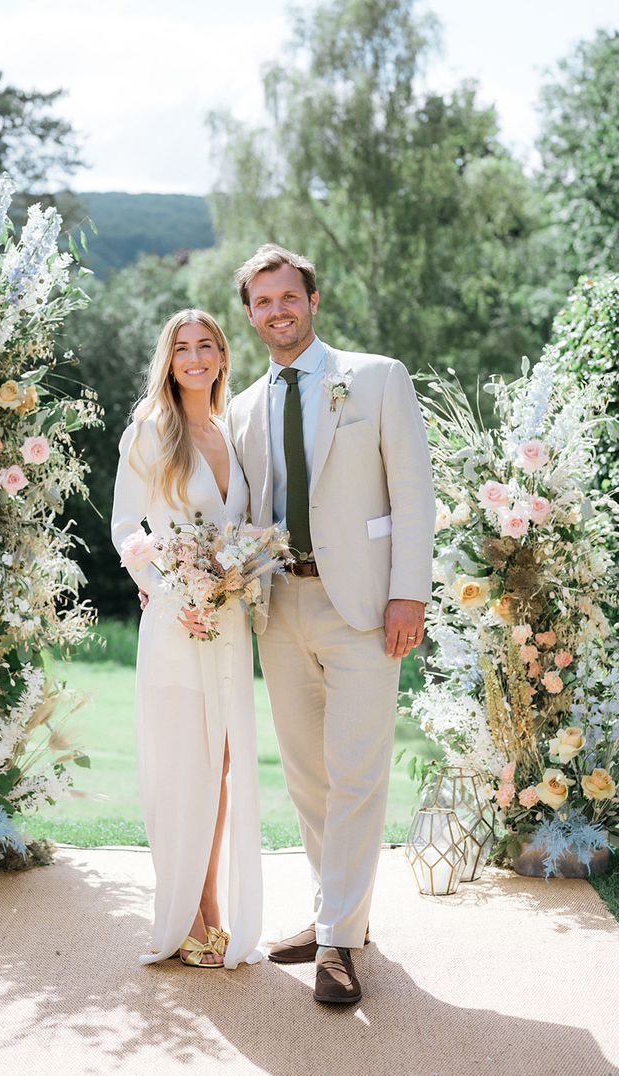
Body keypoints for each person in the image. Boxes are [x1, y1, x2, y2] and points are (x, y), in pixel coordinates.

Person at [226, 245, 435, 1005]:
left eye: (288, 296)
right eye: (262, 301)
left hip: (364, 610)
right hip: (279, 609)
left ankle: (340, 942)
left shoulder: (376, 378)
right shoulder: (243, 405)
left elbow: (414, 492)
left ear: (312, 300)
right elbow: (244, 515)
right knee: (310, 777)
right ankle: (334, 917)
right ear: (249, 314)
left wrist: (408, 594)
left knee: (355, 772)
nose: (277, 310)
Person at [111, 309, 262, 969]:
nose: (195, 358)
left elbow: (249, 528)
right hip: (178, 620)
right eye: (183, 348)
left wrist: (243, 569)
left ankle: (216, 908)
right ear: (169, 361)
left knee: (222, 764)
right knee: (185, 766)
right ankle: (190, 915)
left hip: (228, 622)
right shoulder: (149, 430)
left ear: (222, 358)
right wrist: (167, 583)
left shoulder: (232, 431)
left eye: (206, 346)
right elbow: (124, 526)